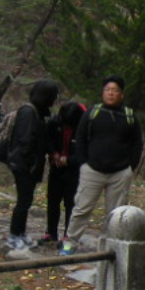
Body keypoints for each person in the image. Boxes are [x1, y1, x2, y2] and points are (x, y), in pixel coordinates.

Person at [61, 76, 143, 257]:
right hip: (92, 170)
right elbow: (80, 137)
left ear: (121, 94)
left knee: (115, 213)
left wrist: (131, 166)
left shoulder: (129, 116)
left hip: (120, 172)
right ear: (102, 92)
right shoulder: (92, 113)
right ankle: (70, 242)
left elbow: (137, 143)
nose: (111, 93)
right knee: (82, 208)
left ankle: (108, 246)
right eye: (107, 90)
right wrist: (83, 162)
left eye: (115, 90)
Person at [6, 80, 60, 250]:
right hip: (24, 165)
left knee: (26, 201)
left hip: (30, 165)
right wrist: (29, 164)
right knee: (23, 201)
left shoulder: (38, 112)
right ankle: (14, 235)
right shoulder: (29, 112)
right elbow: (26, 140)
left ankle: (20, 233)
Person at [44, 101, 86, 243]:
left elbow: (85, 152)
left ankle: (68, 234)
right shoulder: (54, 122)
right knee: (53, 200)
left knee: (71, 202)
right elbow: (47, 140)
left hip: (74, 169)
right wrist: (54, 153)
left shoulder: (84, 127)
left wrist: (69, 160)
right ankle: (50, 232)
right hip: (56, 166)